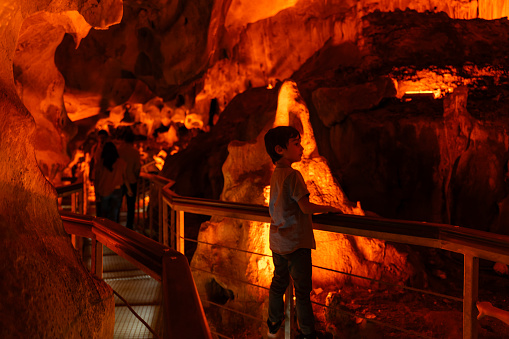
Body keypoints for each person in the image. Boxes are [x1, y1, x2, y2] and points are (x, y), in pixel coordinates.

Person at [264, 126, 342, 339]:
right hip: (297, 243)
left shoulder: (276, 174)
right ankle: (308, 333)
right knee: (302, 291)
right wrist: (330, 208)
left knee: (279, 282)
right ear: (280, 149)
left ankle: (273, 321)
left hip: (278, 241)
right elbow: (305, 207)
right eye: (296, 144)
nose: (302, 147)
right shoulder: (293, 175)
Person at [94, 142, 132, 222]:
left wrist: (96, 191)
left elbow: (96, 179)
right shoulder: (121, 163)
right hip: (117, 190)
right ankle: (112, 232)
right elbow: (124, 177)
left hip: (104, 190)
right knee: (114, 214)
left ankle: (103, 231)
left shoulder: (100, 164)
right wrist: (129, 190)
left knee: (103, 214)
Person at [117, 130, 141, 229]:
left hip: (119, 180)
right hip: (131, 180)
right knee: (131, 206)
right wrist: (136, 176)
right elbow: (137, 167)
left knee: (117, 204)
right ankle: (129, 226)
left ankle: (115, 225)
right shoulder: (135, 152)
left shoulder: (118, 150)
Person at [89, 130, 109, 217]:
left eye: (103, 137)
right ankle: (99, 215)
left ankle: (104, 215)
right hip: (97, 174)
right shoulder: (94, 148)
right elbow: (92, 161)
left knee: (105, 195)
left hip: (106, 175)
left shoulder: (108, 148)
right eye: (101, 137)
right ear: (98, 138)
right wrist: (90, 175)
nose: (102, 139)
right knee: (97, 195)